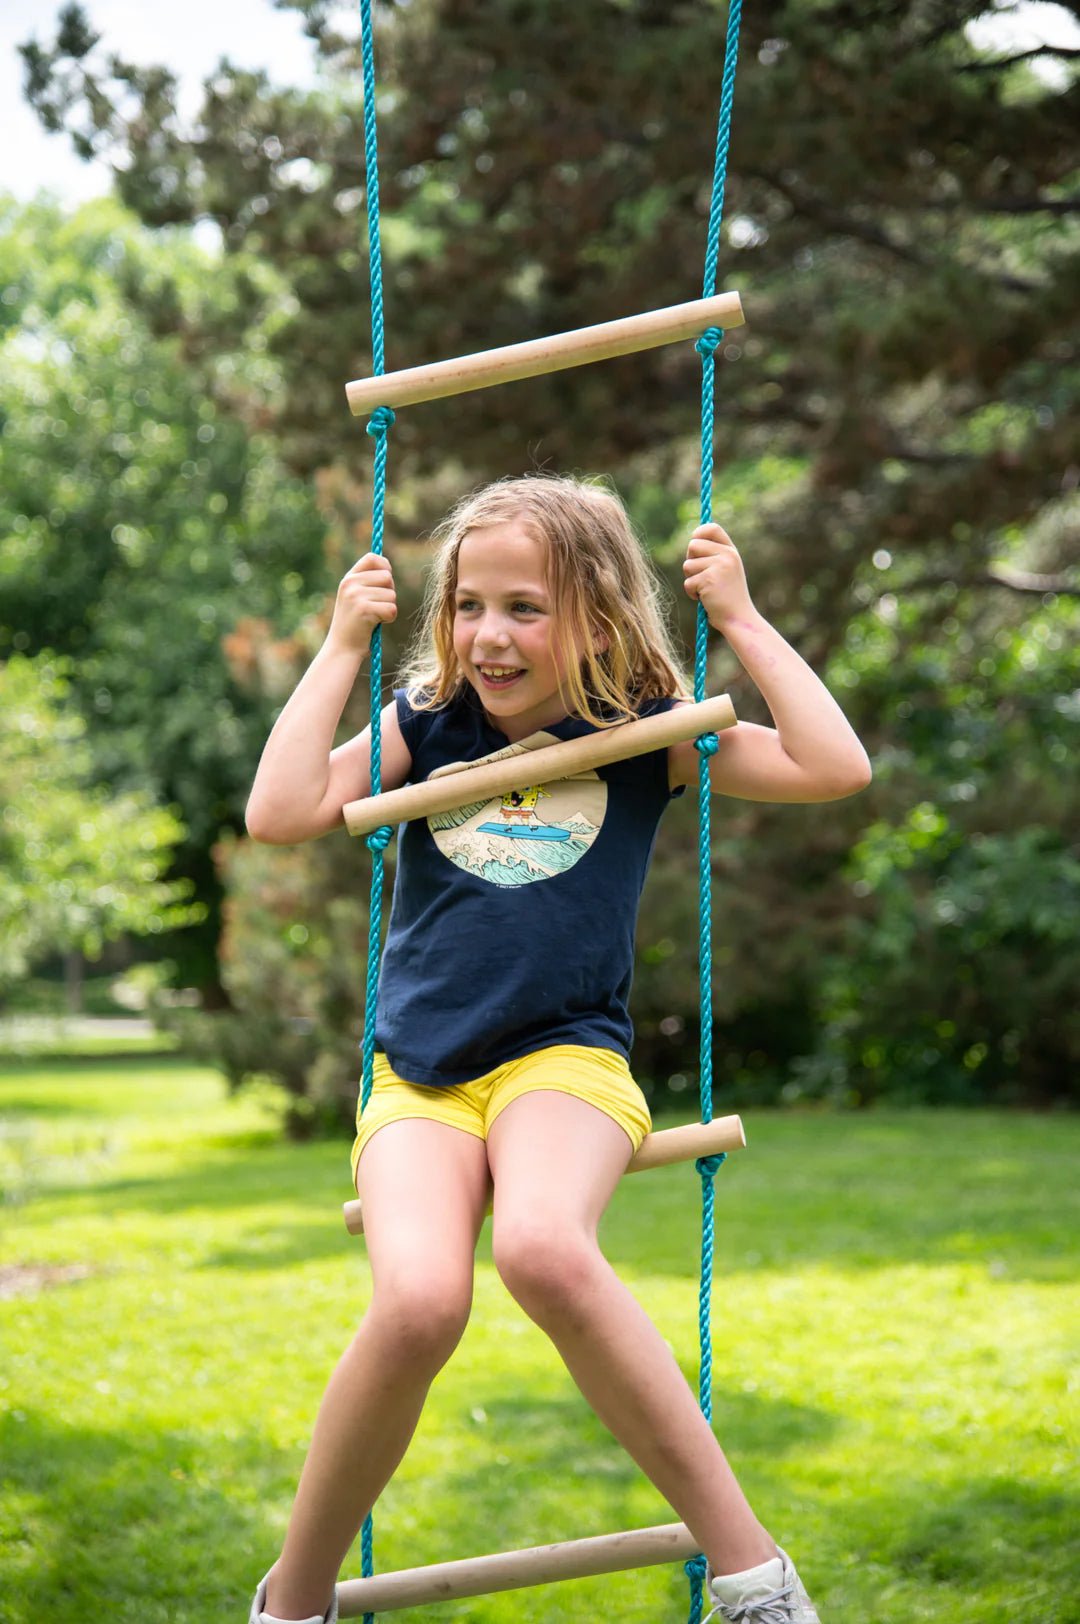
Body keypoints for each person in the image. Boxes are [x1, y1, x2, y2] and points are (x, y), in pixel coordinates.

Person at [243, 475, 871, 1624]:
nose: (489, 634)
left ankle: (753, 1575)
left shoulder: (642, 736)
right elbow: (278, 812)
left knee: (541, 1244)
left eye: (525, 607)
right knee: (421, 1299)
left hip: (564, 1060)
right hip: (420, 1073)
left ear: (595, 612)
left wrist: (738, 616)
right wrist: (341, 646)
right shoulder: (427, 727)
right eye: (469, 604)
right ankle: (295, 1601)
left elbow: (836, 769)